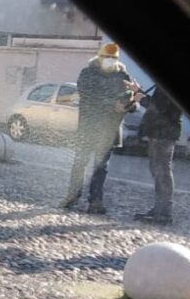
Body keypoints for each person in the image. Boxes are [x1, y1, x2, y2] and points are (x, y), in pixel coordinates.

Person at [62, 43, 137, 214]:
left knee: (101, 167)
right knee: (80, 163)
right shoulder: (88, 73)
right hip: (88, 127)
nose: (110, 61)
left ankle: (96, 200)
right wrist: (113, 104)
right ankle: (72, 195)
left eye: (113, 58)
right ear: (99, 57)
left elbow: (131, 103)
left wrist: (129, 104)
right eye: (107, 57)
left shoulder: (122, 75)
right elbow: (88, 95)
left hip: (108, 130)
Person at [136, 83, 183, 224]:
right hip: (162, 132)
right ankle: (160, 209)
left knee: (162, 172)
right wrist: (138, 91)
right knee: (159, 171)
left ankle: (164, 213)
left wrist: (142, 99)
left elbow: (159, 108)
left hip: (163, 133)